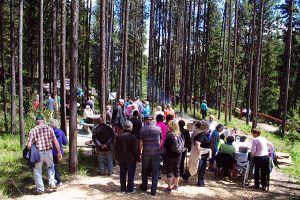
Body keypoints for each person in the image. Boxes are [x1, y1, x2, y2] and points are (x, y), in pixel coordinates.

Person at [26, 116, 62, 194]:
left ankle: (40, 189)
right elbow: (55, 141)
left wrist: (31, 147)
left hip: (38, 153)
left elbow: (29, 145)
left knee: (37, 170)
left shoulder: (33, 130)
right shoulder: (49, 128)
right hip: (49, 152)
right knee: (50, 166)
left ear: (36, 122)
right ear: (43, 121)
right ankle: (52, 183)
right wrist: (59, 152)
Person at [182, 121, 211, 187]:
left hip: (203, 153)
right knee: (196, 167)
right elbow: (197, 144)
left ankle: (200, 181)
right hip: (200, 153)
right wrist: (199, 154)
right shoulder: (201, 134)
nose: (208, 130)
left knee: (200, 167)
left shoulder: (202, 134)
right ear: (206, 128)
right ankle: (198, 181)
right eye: (208, 129)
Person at [139, 115, 162, 196]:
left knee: (144, 170)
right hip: (156, 152)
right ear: (152, 120)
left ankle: (144, 186)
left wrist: (139, 152)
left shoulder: (143, 129)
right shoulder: (158, 128)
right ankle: (153, 190)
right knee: (155, 172)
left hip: (146, 152)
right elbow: (160, 141)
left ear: (145, 121)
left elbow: (141, 142)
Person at [114, 121, 139, 193]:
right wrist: (138, 158)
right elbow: (135, 150)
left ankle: (122, 189)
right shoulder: (133, 137)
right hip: (131, 159)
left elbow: (116, 148)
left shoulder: (119, 137)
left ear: (124, 128)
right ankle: (130, 189)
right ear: (131, 128)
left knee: (122, 174)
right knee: (131, 174)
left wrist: (117, 158)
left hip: (121, 159)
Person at [163, 120, 183, 193]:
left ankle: (169, 187)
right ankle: (176, 185)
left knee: (169, 170)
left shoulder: (169, 135)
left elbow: (165, 146)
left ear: (171, 126)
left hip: (170, 155)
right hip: (179, 155)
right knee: (177, 169)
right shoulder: (180, 134)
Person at [49, 119, 68, 186]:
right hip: (59, 152)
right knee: (54, 165)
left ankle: (58, 181)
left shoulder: (49, 132)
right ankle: (55, 179)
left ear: (51, 124)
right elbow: (65, 143)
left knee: (53, 166)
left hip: (50, 152)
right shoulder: (61, 132)